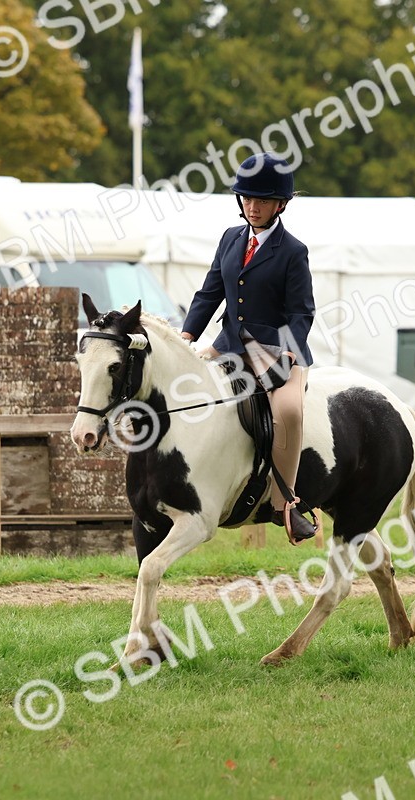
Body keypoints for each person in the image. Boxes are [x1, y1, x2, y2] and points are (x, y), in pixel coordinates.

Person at [180, 153, 318, 542]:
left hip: (276, 351)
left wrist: (288, 355)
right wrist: (187, 338)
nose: (252, 207)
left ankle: (285, 504)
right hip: (227, 346)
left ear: (281, 204)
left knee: (288, 411)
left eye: (261, 201)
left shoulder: (293, 251)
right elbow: (209, 294)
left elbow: (301, 312)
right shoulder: (230, 238)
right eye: (246, 199)